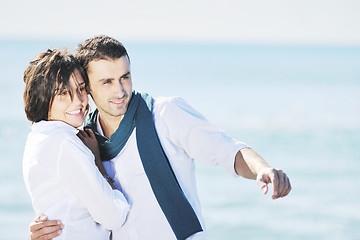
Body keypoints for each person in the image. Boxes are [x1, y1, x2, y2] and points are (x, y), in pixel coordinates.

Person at [29, 36, 291, 240]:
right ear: (88, 87)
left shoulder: (165, 114)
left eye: (125, 77)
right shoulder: (82, 140)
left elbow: (226, 149)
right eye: (106, 82)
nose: (120, 90)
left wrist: (262, 169)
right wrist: (46, 230)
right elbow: (74, 207)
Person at [23, 49, 130, 239]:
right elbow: (114, 216)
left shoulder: (37, 137)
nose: (78, 101)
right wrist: (97, 162)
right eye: (63, 93)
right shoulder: (64, 143)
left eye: (81, 88)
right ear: (43, 97)